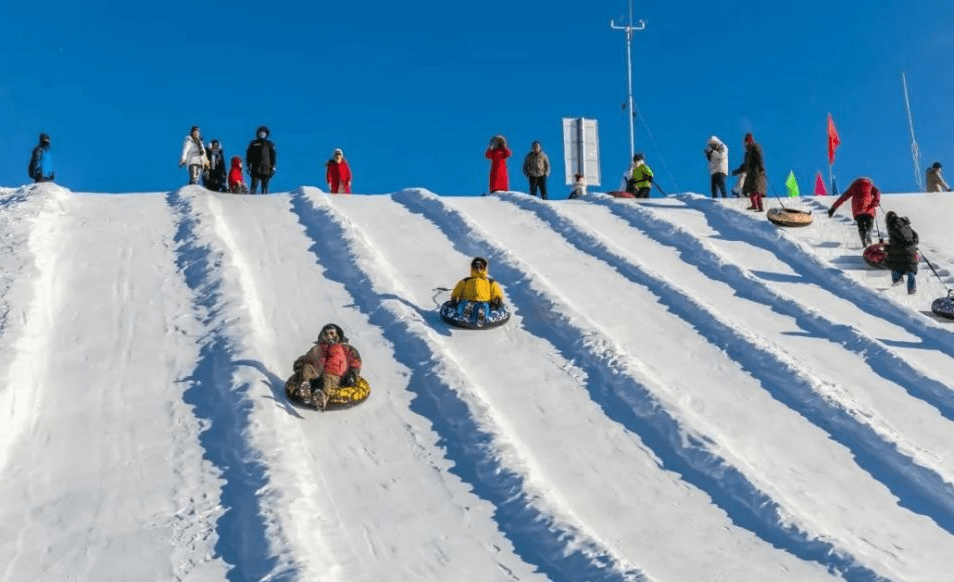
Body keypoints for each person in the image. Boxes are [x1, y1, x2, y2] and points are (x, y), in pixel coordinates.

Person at [285, 323, 363, 411]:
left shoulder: (345, 347)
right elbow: (307, 358)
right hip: (317, 375)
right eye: (326, 334)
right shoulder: (318, 348)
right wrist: (299, 364)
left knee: (327, 377)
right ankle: (305, 387)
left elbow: (355, 360)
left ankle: (321, 400)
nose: (329, 336)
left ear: (337, 334)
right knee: (307, 367)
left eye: (332, 333)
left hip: (335, 377)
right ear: (322, 336)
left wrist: (352, 374)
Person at [827, 177, 881, 247]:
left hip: (858, 209)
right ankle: (868, 234)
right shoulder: (870, 185)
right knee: (869, 223)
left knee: (861, 226)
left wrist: (833, 209)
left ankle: (864, 241)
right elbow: (877, 193)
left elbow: (842, 198)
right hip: (869, 208)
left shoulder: (853, 188)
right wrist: (876, 201)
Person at [883, 210, 920, 295]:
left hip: (902, 251)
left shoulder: (893, 227)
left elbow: (897, 242)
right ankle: (912, 289)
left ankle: (897, 280)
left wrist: (886, 248)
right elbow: (915, 236)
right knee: (911, 269)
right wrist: (913, 243)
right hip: (912, 250)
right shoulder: (906, 225)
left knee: (891, 262)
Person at [731, 133, 767, 211]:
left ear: (750, 141)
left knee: (756, 192)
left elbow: (759, 159)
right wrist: (738, 171)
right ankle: (754, 205)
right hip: (750, 174)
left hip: (757, 173)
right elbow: (745, 165)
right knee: (750, 192)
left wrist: (761, 168)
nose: (745, 144)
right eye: (745, 142)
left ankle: (760, 207)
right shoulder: (747, 153)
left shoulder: (755, 148)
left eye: (747, 142)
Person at [245, 125, 276, 194]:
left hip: (266, 167)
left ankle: (264, 198)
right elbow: (249, 155)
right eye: (260, 132)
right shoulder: (253, 143)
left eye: (264, 133)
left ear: (266, 134)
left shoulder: (270, 144)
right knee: (254, 184)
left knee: (265, 185)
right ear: (258, 133)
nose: (262, 134)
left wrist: (273, 166)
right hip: (255, 167)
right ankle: (251, 196)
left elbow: (273, 156)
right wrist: (248, 165)